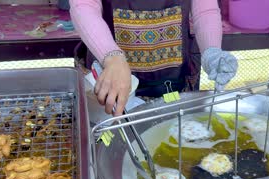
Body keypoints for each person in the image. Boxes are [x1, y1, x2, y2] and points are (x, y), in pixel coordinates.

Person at [70, 0, 238, 116]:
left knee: (172, 137)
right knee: (110, 146)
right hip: (109, 75)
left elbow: (205, 10)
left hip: (172, 80)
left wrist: (211, 50)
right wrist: (112, 57)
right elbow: (83, 5)